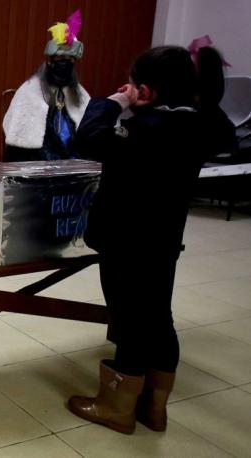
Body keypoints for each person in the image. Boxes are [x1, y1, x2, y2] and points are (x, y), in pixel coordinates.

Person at [67, 45, 235, 434]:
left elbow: (89, 140)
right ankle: (154, 408)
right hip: (163, 240)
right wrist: (199, 99)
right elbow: (222, 129)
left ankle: (116, 409)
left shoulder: (146, 129)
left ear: (149, 90)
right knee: (159, 317)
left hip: (126, 240)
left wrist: (114, 101)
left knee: (129, 322)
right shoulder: (200, 124)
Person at [3, 10, 90, 161]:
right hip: (36, 165)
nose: (64, 62)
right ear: (50, 60)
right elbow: (18, 144)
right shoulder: (29, 92)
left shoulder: (80, 94)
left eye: (70, 59)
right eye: (60, 57)